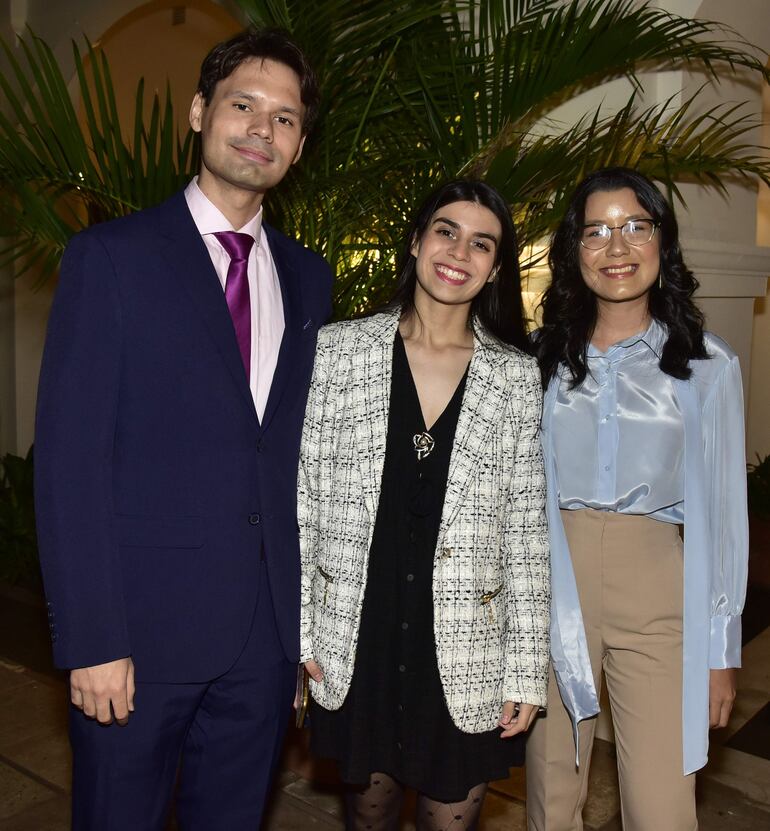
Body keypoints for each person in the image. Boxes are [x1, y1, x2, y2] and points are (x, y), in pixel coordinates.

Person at [34, 28, 332, 829]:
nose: (261, 130)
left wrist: (300, 635)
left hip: (262, 647)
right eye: (243, 105)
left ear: (299, 146)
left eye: (285, 119)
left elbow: (299, 463)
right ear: (201, 112)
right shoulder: (112, 258)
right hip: (138, 640)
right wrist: (91, 638)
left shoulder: (311, 279)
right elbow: (70, 463)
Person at [297, 179, 550, 830]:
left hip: (466, 650)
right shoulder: (339, 351)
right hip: (360, 633)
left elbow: (526, 533)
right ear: (415, 242)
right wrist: (298, 635)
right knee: (369, 814)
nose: (459, 251)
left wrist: (525, 669)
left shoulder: (516, 376)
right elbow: (305, 498)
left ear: (495, 266)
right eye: (446, 230)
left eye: (482, 242)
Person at [526, 167, 748, 831]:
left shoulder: (708, 365)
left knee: (661, 803)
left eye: (634, 227)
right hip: (552, 579)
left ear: (661, 241)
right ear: (574, 250)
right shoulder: (538, 359)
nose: (616, 247)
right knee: (550, 790)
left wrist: (720, 651)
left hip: (657, 581)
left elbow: (727, 514)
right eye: (596, 230)